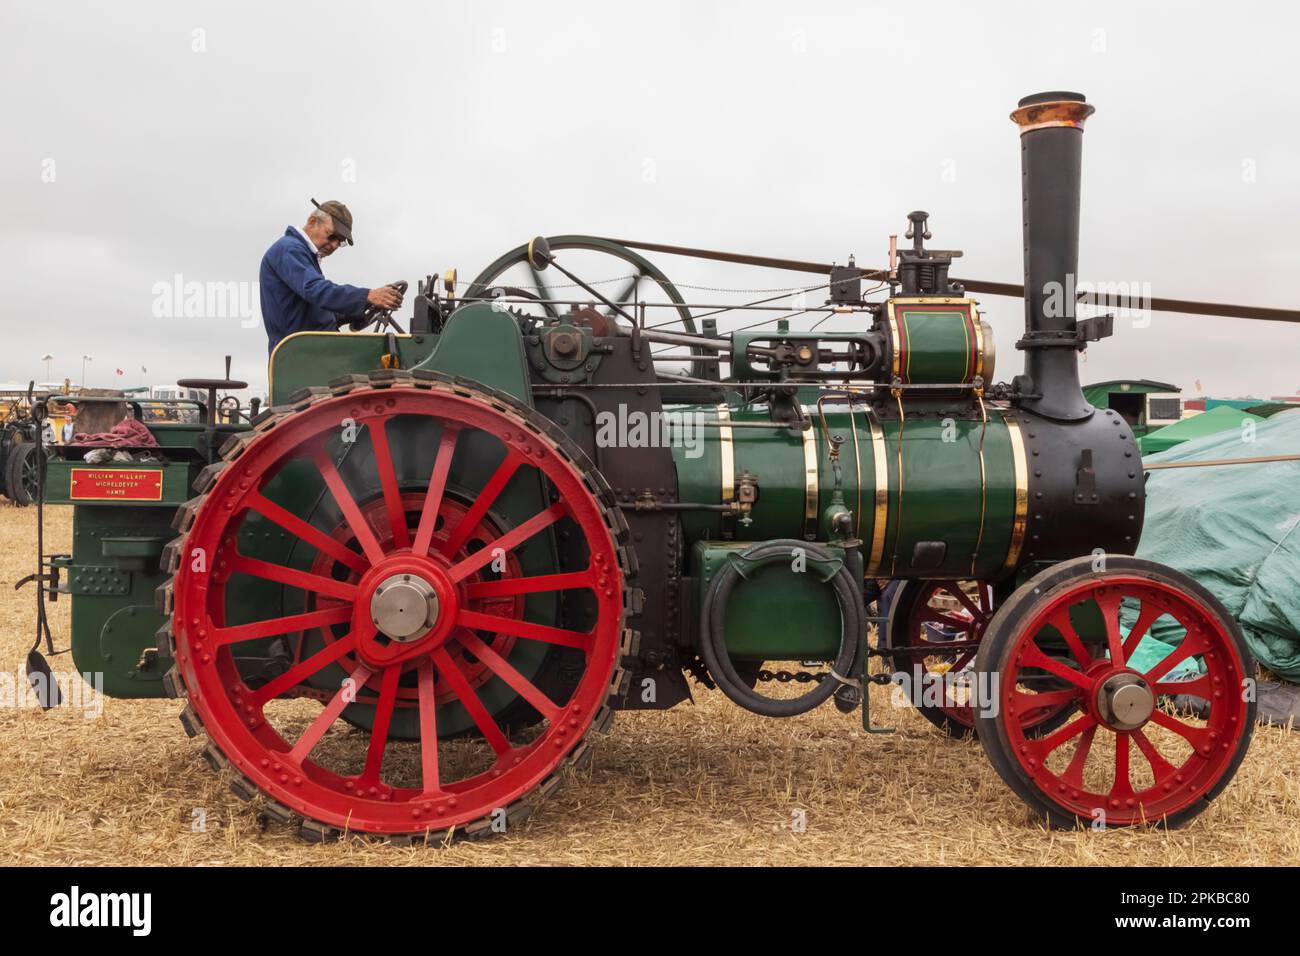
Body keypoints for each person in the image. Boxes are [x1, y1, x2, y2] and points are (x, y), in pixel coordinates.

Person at [258, 199, 404, 354]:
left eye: (340, 242)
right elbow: (315, 290)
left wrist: (366, 306)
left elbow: (319, 311)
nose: (335, 245)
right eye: (332, 236)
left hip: (313, 350)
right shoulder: (289, 249)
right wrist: (367, 296)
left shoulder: (301, 254)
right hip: (301, 354)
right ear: (313, 222)